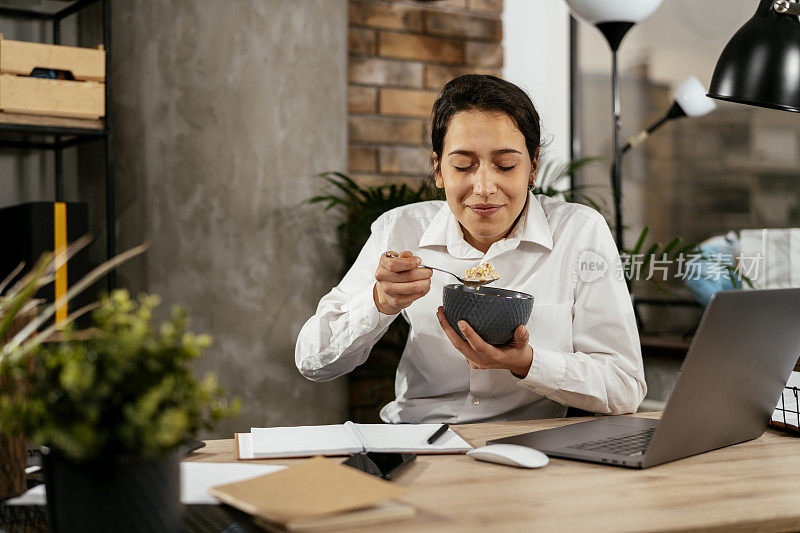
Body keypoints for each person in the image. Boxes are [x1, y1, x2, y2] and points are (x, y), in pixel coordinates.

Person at [296, 74, 646, 423]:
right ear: (438, 170)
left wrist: (528, 363)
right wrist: (378, 302)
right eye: (463, 165)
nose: (484, 187)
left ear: (533, 167)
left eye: (505, 165)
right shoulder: (400, 229)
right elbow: (313, 361)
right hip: (417, 442)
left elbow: (624, 386)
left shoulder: (579, 231)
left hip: (529, 446)